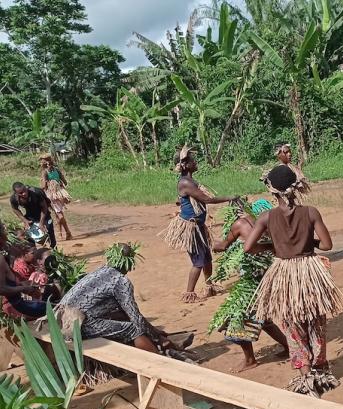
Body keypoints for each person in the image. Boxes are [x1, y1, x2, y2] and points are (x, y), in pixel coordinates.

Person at [244, 165, 343, 398]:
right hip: (309, 271)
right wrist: (310, 242)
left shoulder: (266, 217)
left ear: (272, 191)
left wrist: (272, 245)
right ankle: (320, 369)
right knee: (315, 321)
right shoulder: (310, 212)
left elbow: (249, 247)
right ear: (296, 187)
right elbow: (328, 245)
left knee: (291, 323)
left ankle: (305, 374)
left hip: (284, 274)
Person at [57, 243, 186, 354]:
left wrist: (155, 331)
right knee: (133, 329)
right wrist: (157, 336)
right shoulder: (121, 281)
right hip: (77, 326)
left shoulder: (99, 271)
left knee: (122, 316)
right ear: (128, 263)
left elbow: (124, 312)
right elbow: (136, 318)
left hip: (59, 319)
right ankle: (158, 362)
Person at [210, 198, 289, 372]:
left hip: (251, 282)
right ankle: (289, 347)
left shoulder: (239, 224)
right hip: (269, 277)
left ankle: (250, 359)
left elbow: (223, 246)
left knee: (237, 317)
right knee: (264, 319)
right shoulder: (268, 223)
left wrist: (210, 243)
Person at [160, 145, 237, 303]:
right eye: (193, 160)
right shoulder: (186, 183)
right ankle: (189, 293)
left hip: (198, 226)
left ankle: (209, 287)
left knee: (207, 258)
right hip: (191, 227)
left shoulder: (189, 181)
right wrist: (230, 198)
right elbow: (207, 199)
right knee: (199, 261)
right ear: (186, 165)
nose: (196, 162)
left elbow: (185, 199)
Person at [0, 221, 44, 319]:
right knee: (52, 307)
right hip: (16, 306)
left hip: (17, 302)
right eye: (3, 231)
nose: (6, 235)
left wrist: (25, 285)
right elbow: (2, 289)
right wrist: (24, 289)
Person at [10, 182, 56, 248]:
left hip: (44, 214)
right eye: (21, 193)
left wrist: (41, 223)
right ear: (16, 193)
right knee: (29, 236)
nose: (24, 193)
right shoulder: (14, 198)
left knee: (49, 233)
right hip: (30, 216)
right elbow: (15, 209)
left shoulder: (36, 192)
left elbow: (44, 207)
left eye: (24, 190)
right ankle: (34, 253)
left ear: (25, 187)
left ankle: (54, 251)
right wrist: (25, 220)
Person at [39, 154, 72, 240]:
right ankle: (61, 234)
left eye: (41, 160)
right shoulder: (57, 170)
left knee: (59, 215)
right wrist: (57, 183)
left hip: (52, 196)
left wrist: (45, 183)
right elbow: (65, 182)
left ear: (44, 162)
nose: (40, 162)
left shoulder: (45, 172)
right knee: (58, 214)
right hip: (60, 194)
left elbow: (43, 187)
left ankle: (68, 232)